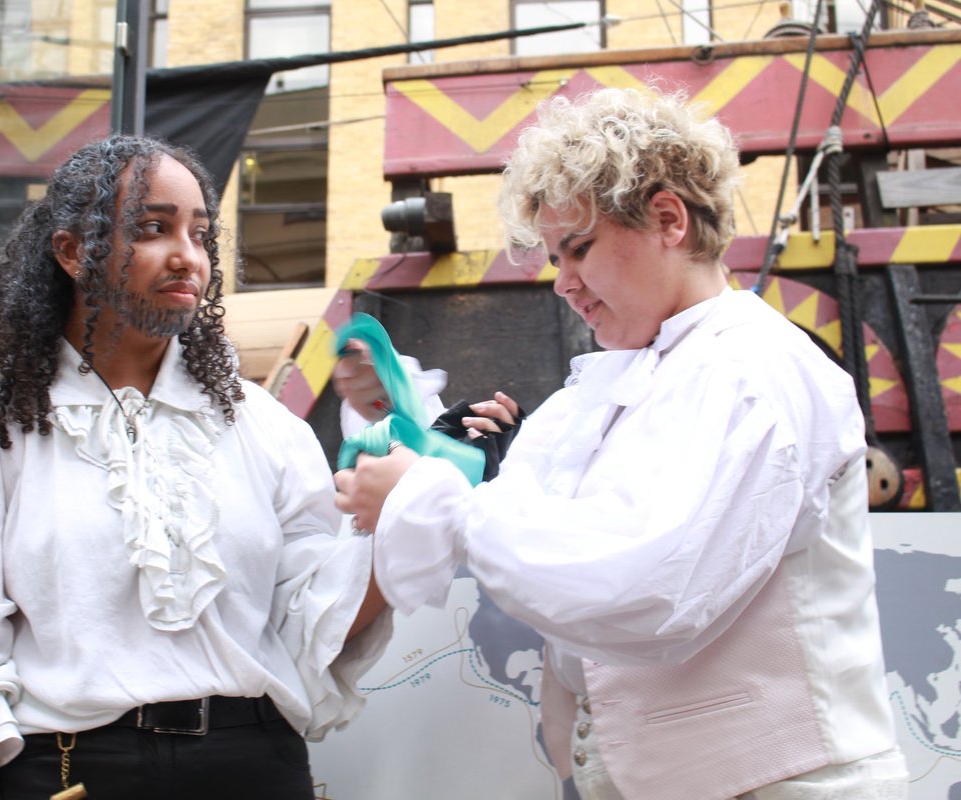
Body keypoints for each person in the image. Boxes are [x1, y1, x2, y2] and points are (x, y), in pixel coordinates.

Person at [334, 88, 908, 799]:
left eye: (579, 248)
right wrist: (422, 467)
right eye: (555, 257)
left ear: (668, 218)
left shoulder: (750, 368)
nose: (563, 283)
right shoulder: (620, 386)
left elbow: (653, 587)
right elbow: (522, 521)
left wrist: (429, 498)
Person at [0, 135, 392, 799]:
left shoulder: (262, 426)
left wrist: (402, 518)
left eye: (201, 234)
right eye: (152, 229)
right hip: (69, 772)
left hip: (255, 768)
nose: (187, 256)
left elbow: (313, 626)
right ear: (71, 251)